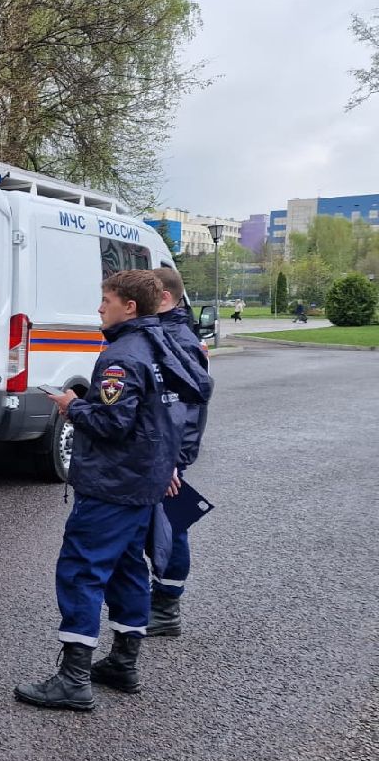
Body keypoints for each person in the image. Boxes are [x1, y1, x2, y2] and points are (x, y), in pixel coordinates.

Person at [13, 270, 206, 711]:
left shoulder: (121, 356)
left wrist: (71, 405)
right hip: (144, 481)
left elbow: (112, 422)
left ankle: (74, 678)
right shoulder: (168, 346)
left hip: (112, 483)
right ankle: (123, 662)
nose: (100, 307)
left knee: (82, 569)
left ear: (129, 307)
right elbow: (179, 416)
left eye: (106, 299)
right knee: (127, 569)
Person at [149, 267, 214, 636]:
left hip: (167, 457)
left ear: (164, 298)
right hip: (162, 454)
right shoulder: (164, 333)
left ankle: (167, 608)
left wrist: (172, 461)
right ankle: (160, 600)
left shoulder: (176, 339)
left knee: (169, 527)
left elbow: (186, 408)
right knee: (160, 527)